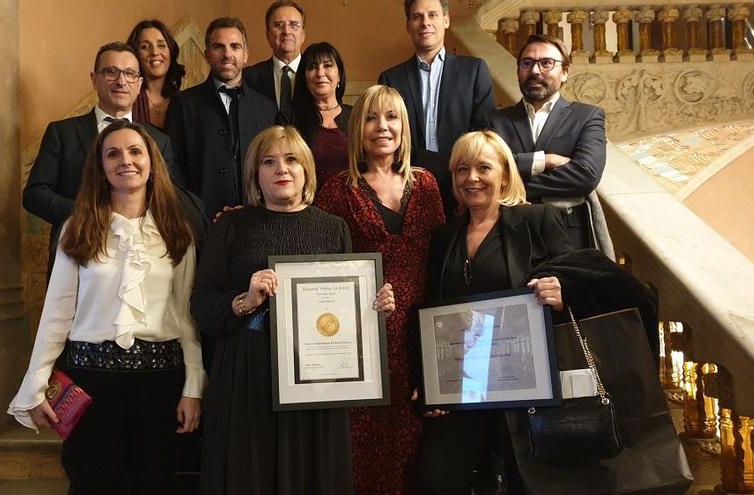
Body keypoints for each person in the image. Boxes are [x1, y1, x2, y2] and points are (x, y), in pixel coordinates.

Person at [192, 125, 394, 495]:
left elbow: (345, 314)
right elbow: (202, 306)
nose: (281, 169)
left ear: (306, 170)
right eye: (269, 162)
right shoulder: (231, 227)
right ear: (256, 173)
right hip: (247, 377)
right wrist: (245, 301)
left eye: (291, 160)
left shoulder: (334, 229)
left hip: (316, 381)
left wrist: (374, 305)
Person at [8, 120, 206, 494]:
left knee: (156, 483)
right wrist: (36, 382)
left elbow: (186, 316)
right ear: (99, 167)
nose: (125, 161)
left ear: (152, 162)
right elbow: (57, 314)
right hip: (90, 380)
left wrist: (193, 386)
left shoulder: (177, 231)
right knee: (93, 484)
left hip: (159, 381)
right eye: (112, 153)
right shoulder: (77, 228)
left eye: (135, 152)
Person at [417, 130, 573, 494]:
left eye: (483, 168)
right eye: (461, 169)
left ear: (504, 174)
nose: (471, 178)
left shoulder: (537, 221)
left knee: (522, 482)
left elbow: (583, 280)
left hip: (522, 387)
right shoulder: (444, 236)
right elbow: (433, 306)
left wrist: (562, 293)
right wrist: (431, 382)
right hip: (463, 386)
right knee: (436, 477)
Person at [316, 84, 445, 494]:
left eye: (391, 117)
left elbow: (442, 262)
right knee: (363, 451)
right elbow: (320, 269)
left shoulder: (427, 185)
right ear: (358, 128)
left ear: (404, 126)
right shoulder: (338, 189)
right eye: (371, 118)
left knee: (418, 452)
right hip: (363, 343)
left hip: (421, 339)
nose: (381, 127)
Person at [23, 42, 207, 272]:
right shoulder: (63, 133)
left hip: (142, 262)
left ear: (139, 83)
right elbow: (35, 194)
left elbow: (167, 198)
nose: (121, 81)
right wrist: (90, 216)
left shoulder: (159, 141)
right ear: (94, 79)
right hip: (77, 257)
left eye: (130, 74)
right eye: (111, 72)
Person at [488, 34, 608, 252]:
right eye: (527, 63)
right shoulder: (495, 121)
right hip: (509, 239)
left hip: (568, 239)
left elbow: (586, 175)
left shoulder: (587, 117)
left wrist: (510, 187)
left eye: (546, 63)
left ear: (565, 72)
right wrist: (546, 160)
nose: (535, 71)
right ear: (518, 71)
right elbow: (488, 171)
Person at [379, 0, 495, 218]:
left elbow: (484, 131)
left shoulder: (474, 70)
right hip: (406, 186)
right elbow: (388, 138)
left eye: (432, 15)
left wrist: (462, 173)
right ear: (408, 25)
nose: (425, 23)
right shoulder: (391, 78)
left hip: (463, 185)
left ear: (446, 20)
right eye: (417, 17)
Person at [167, 17, 277, 220]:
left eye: (235, 47)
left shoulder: (267, 109)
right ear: (207, 54)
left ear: (246, 55)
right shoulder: (183, 105)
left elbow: (272, 166)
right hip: (201, 223)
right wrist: (194, 213)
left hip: (258, 220)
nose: (227, 54)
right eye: (219, 47)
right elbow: (173, 168)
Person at [278, 42, 350, 188]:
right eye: (312, 67)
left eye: (327, 65)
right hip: (307, 203)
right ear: (304, 78)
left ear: (340, 74)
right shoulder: (289, 118)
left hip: (354, 201)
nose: (320, 73)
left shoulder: (356, 115)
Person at [243, 0, 306, 111]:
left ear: (303, 36)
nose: (286, 31)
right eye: (278, 25)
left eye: (294, 25)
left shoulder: (316, 75)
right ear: (268, 36)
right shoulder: (248, 78)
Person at [127, 19, 186, 129]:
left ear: (171, 51)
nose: (154, 52)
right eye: (145, 47)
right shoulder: (127, 101)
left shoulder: (185, 103)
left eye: (161, 45)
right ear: (135, 55)